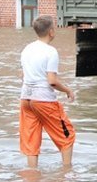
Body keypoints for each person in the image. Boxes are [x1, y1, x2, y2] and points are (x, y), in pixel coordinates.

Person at [19, 15, 76, 168]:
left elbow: (23, 76)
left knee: (31, 139)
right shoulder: (51, 52)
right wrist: (68, 90)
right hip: (44, 99)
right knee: (67, 135)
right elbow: (52, 81)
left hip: (25, 98)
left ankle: (32, 175)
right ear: (51, 31)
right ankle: (66, 173)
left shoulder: (26, 49)